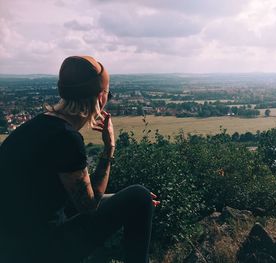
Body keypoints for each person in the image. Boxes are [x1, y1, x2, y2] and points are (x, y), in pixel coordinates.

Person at [0, 56, 160, 263]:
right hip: (41, 251)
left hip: (11, 246)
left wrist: (118, 201)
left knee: (139, 198)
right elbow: (89, 206)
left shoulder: (32, 128)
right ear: (100, 98)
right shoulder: (66, 139)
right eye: (107, 94)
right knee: (139, 196)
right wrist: (109, 149)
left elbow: (64, 196)